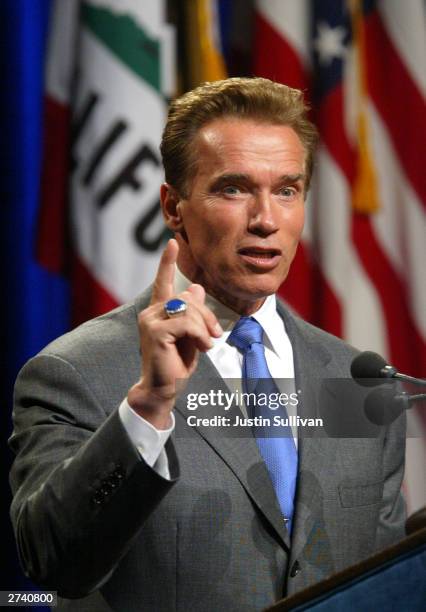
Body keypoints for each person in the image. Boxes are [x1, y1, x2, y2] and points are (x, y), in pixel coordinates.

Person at [9, 78, 406, 612]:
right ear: (174, 207)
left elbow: (385, 581)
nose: (266, 220)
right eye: (234, 188)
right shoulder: (73, 372)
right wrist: (148, 408)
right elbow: (55, 563)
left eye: (287, 190)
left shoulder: (356, 380)